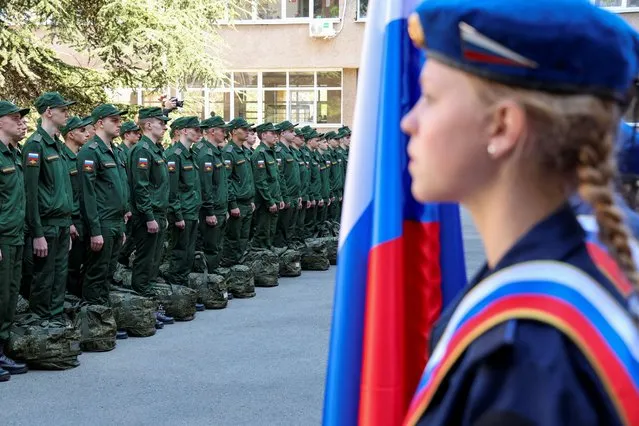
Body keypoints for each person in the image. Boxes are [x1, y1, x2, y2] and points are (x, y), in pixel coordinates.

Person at [400, 1, 639, 425]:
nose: (409, 122)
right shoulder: (606, 250)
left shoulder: (523, 359)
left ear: (503, 126)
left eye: (430, 98)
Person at [22, 92, 75, 326]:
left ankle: (55, 322)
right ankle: (42, 325)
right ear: (48, 112)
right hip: (46, 224)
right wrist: (37, 233)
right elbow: (30, 194)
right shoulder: (35, 145)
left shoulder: (58, 146)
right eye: (63, 110)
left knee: (59, 275)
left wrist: (69, 221)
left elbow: (64, 188)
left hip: (62, 222)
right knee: (44, 278)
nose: (67, 114)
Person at [77, 104, 128, 308]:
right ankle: (93, 319)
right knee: (97, 272)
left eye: (119, 120)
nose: (119, 124)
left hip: (116, 221)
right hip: (103, 222)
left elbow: (121, 187)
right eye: (114, 120)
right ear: (99, 123)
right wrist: (95, 230)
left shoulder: (114, 151)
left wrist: (122, 225)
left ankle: (103, 318)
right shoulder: (90, 152)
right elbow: (87, 195)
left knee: (108, 272)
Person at [128, 107, 174, 326]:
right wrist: (148, 216)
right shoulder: (142, 150)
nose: (164, 126)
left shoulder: (156, 149)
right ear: (147, 125)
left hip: (158, 212)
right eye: (160, 122)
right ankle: (142, 308)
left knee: (154, 262)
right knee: (145, 262)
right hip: (149, 214)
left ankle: (150, 308)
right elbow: (140, 187)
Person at [0, 101, 30, 382]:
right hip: (2, 237)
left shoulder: (14, 153)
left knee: (9, 294)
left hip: (16, 234)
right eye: (13, 118)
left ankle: (3, 348)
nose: (19, 122)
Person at [164, 116, 203, 287]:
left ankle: (184, 289)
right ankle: (177, 288)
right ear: (184, 131)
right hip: (182, 212)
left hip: (192, 210)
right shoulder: (174, 155)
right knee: (180, 251)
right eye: (195, 130)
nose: (199, 134)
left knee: (189, 251)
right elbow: (172, 190)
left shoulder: (190, 154)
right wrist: (177, 214)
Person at [61, 116, 92, 298]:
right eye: (82, 131)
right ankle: (70, 298)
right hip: (72, 218)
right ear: (71, 134)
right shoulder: (62, 157)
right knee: (72, 264)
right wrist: (70, 220)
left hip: (83, 216)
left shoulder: (81, 156)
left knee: (82, 262)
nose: (87, 134)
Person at [220, 117, 256, 267]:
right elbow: (227, 180)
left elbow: (248, 179)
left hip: (247, 202)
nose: (247, 132)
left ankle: (240, 269)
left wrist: (252, 200)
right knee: (233, 238)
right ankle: (231, 267)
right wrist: (232, 204)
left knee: (243, 237)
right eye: (244, 129)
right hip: (237, 203)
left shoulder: (244, 151)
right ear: (234, 131)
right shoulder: (229, 152)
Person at [196, 116, 229, 272]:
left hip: (220, 207)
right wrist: (209, 211)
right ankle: (210, 281)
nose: (225, 134)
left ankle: (215, 279)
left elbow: (221, 183)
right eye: (222, 130)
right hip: (212, 209)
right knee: (211, 247)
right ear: (212, 131)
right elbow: (205, 186)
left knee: (218, 245)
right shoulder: (206, 154)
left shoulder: (216, 152)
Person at [250, 123, 283, 251]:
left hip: (273, 198)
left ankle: (268, 255)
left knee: (270, 230)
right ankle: (262, 256)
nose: (276, 136)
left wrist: (278, 198)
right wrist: (269, 201)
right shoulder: (260, 153)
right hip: (265, 201)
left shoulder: (270, 152)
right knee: (263, 231)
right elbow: (261, 181)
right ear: (263, 135)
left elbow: (275, 179)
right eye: (272, 133)